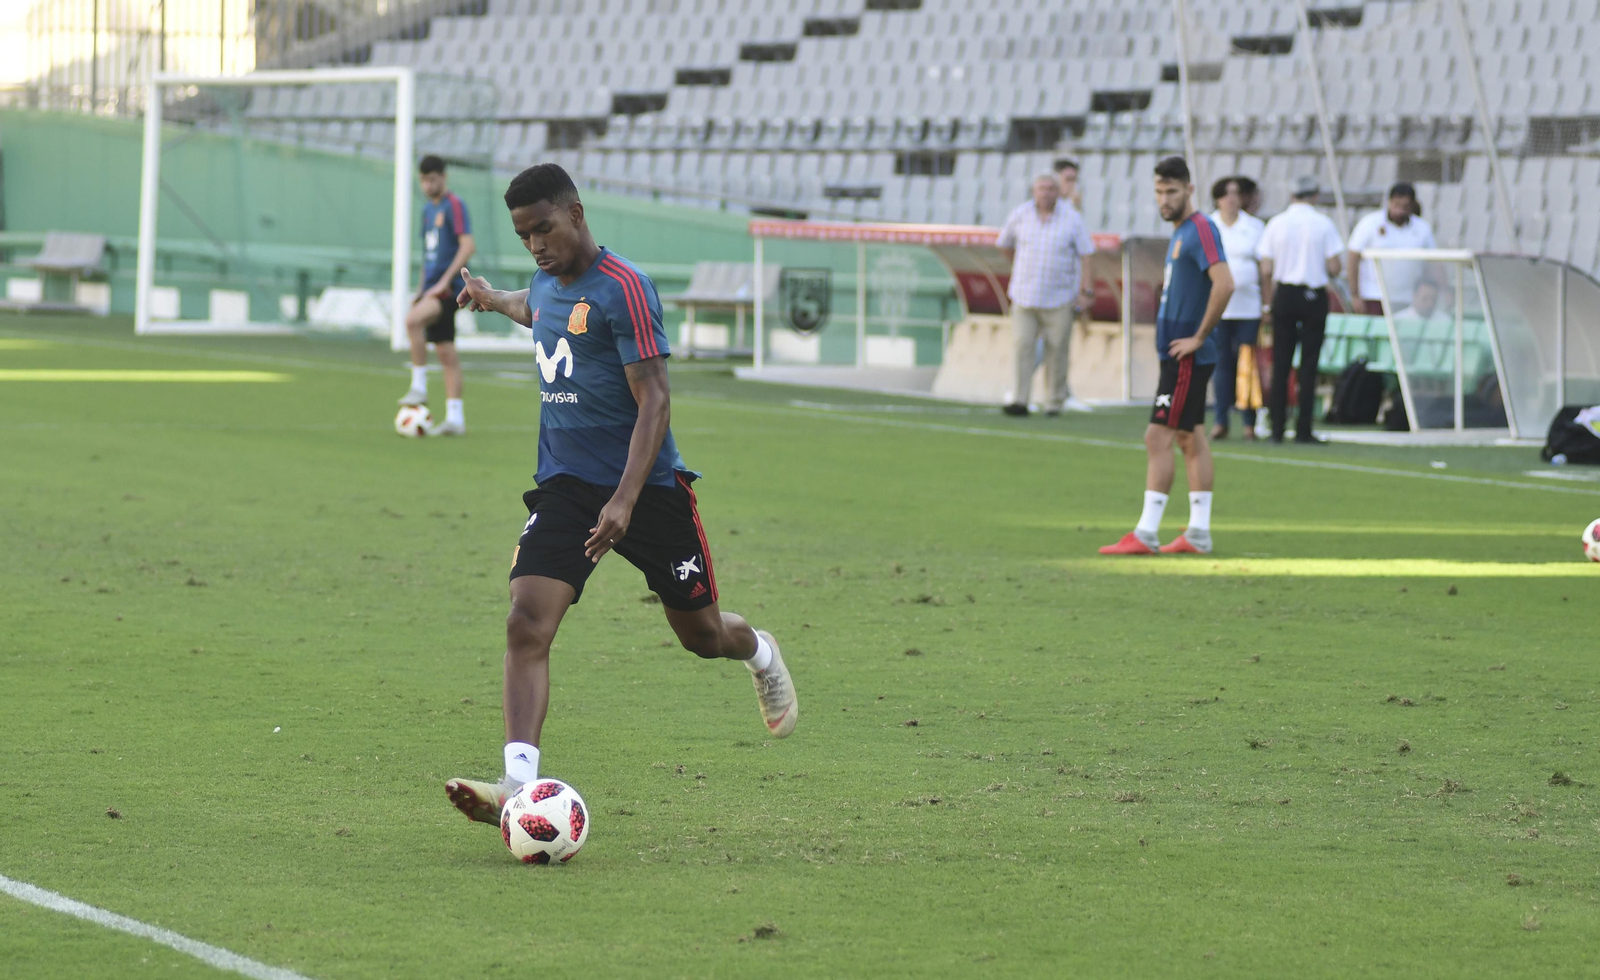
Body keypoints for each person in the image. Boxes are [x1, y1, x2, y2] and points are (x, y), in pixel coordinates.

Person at [440, 164, 798, 825]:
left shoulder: (625, 288)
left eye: (543, 228)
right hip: (568, 487)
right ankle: (517, 785)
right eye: (523, 236)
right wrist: (489, 297)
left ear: (576, 213)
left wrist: (626, 500)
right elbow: (533, 307)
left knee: (702, 636)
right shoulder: (546, 283)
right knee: (525, 620)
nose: (536, 246)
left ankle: (761, 653)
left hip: (649, 490)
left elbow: (655, 399)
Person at [1100, 156, 1233, 557]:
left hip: (1185, 357)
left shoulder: (1201, 228)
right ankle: (1198, 534)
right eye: (1159, 192)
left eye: (1172, 191)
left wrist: (1198, 337)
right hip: (1177, 353)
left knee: (1157, 436)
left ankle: (1146, 533)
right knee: (1190, 437)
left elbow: (1225, 284)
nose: (1164, 199)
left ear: (1190, 189)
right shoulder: (1182, 232)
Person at [996, 173, 1097, 416]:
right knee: (1022, 345)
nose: (1046, 193)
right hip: (1024, 294)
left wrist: (1086, 290)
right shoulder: (1020, 214)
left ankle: (1054, 401)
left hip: (1059, 296)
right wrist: (1020, 266)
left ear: (1058, 191)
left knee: (1057, 348)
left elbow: (1086, 254)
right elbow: (1004, 244)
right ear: (1034, 191)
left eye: (1051, 188)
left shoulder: (1071, 217)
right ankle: (1019, 399)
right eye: (1041, 188)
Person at [1257, 175, 1345, 444]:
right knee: (1309, 363)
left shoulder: (1276, 223)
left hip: (1285, 293)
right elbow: (1334, 267)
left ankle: (1277, 428)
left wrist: (1267, 303)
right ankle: (1303, 428)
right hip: (1313, 294)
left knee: (1281, 362)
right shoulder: (1323, 224)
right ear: (1315, 195)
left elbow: (1266, 268)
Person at [397, 155, 475, 436]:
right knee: (445, 351)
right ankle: (455, 418)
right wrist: (421, 290)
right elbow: (427, 257)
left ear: (443, 177)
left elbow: (467, 246)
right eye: (423, 180)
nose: (428, 185)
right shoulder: (427, 211)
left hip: (449, 288)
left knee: (412, 321)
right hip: (432, 288)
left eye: (432, 179)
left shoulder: (454, 205)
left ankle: (419, 386)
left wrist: (443, 282)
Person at [1208, 175, 1266, 441]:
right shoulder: (1209, 225)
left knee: (1247, 364)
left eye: (1236, 193)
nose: (1231, 199)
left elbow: (1265, 267)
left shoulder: (1254, 227)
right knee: (1221, 363)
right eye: (1226, 194)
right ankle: (1221, 419)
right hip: (1219, 306)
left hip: (1248, 305)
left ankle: (1249, 421)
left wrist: (1266, 304)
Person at [1346, 182, 1437, 316]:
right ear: (1389, 202)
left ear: (1412, 205)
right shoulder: (1369, 223)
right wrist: (1355, 294)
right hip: (1374, 295)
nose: (1400, 210)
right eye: (1396, 205)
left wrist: (1443, 290)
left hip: (1407, 298)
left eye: (1405, 206)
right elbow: (1353, 258)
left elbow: (1433, 263)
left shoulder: (1422, 228)